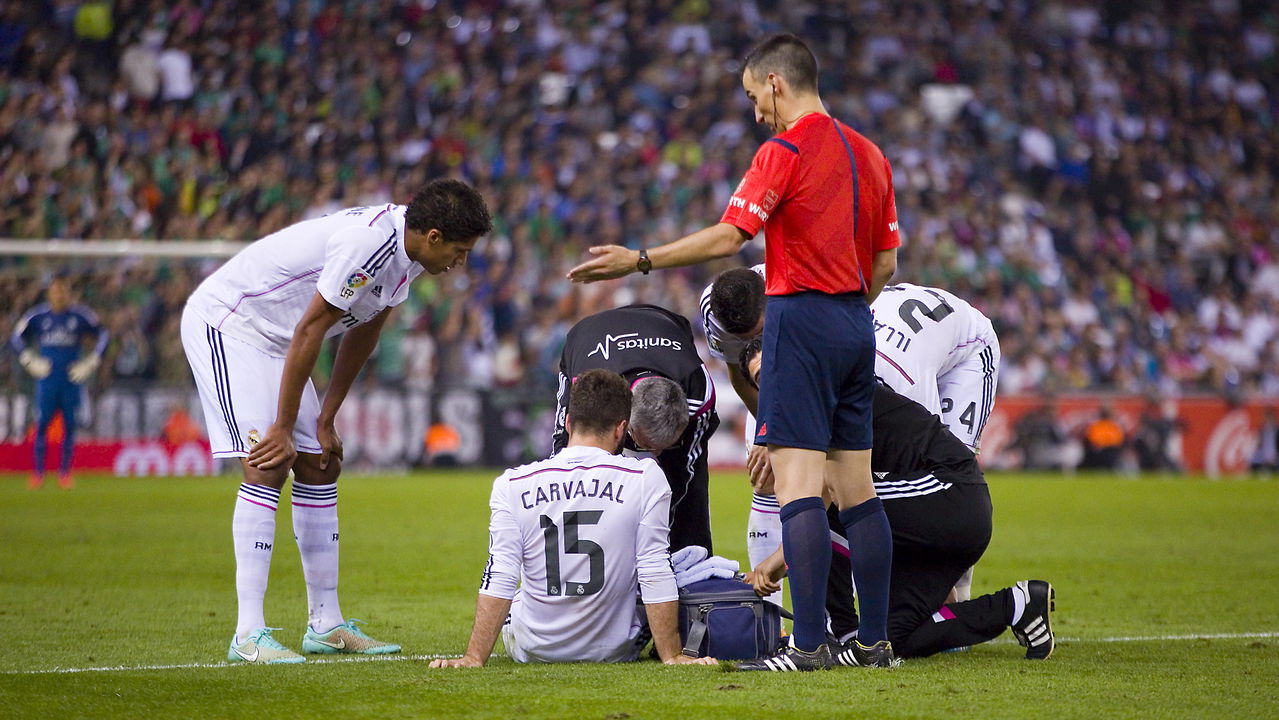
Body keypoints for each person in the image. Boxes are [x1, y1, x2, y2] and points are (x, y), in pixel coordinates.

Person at [569, 33, 900, 670]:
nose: (755, 113)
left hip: (800, 317)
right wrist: (851, 308)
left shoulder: (784, 150)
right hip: (858, 323)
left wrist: (639, 260)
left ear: (776, 82)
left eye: (754, 96)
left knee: (799, 488)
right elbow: (886, 261)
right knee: (858, 490)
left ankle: (807, 648)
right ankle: (876, 641)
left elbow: (730, 236)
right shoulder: (871, 154)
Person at [181, 179, 492, 664]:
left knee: (320, 464)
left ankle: (325, 625)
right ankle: (247, 633)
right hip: (231, 324)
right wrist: (283, 427)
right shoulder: (368, 244)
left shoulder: (406, 258)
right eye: (459, 250)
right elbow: (312, 328)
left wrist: (325, 417)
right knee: (267, 461)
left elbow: (362, 335)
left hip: (279, 342)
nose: (460, 262)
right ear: (432, 236)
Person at [740, 343, 1056, 660]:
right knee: (896, 637)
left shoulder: (826, 393)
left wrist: (773, 564)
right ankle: (1016, 605)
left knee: (837, 501)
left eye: (771, 368)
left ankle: (841, 632)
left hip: (949, 493)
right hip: (943, 519)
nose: (770, 381)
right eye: (759, 378)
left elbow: (821, 495)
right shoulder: (813, 398)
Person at [703, 273, 999, 601]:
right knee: (782, 474)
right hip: (887, 328)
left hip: (964, 347)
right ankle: (773, 617)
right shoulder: (733, 308)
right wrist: (769, 428)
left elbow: (853, 481)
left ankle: (952, 600)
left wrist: (782, 558)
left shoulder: (902, 386)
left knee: (943, 483)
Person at [430, 369, 716, 667]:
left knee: (518, 589)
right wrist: (672, 655)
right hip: (614, 649)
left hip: (533, 647)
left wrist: (473, 657)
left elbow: (500, 574)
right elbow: (653, 568)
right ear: (621, 429)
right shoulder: (645, 477)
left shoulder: (512, 484)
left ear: (567, 422)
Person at [553, 304, 719, 552]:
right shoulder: (590, 388)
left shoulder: (698, 391)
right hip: (590, 337)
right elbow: (564, 450)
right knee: (580, 458)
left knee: (689, 485)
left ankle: (692, 562)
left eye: (665, 446)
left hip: (665, 323)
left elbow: (689, 476)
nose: (656, 454)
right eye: (645, 445)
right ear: (624, 423)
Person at [10, 276, 109, 490]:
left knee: (70, 426)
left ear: (69, 294)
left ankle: (65, 473)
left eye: (63, 291)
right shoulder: (38, 316)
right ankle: (38, 473)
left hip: (71, 379)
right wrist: (28, 359)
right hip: (47, 380)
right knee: (42, 425)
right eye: (56, 291)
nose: (59, 295)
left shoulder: (80, 316)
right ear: (49, 294)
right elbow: (16, 338)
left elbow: (103, 335)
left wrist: (92, 361)